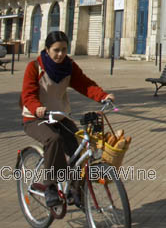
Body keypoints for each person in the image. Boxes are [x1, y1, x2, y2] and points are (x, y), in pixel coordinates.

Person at [20, 31, 114, 208]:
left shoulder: (69, 66)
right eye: (56, 50)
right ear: (47, 50)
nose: (60, 54)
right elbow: (28, 94)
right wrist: (37, 108)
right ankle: (50, 186)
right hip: (34, 117)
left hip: (60, 116)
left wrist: (103, 96)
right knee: (53, 139)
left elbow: (85, 84)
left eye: (64, 49)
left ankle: (75, 190)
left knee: (78, 148)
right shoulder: (35, 67)